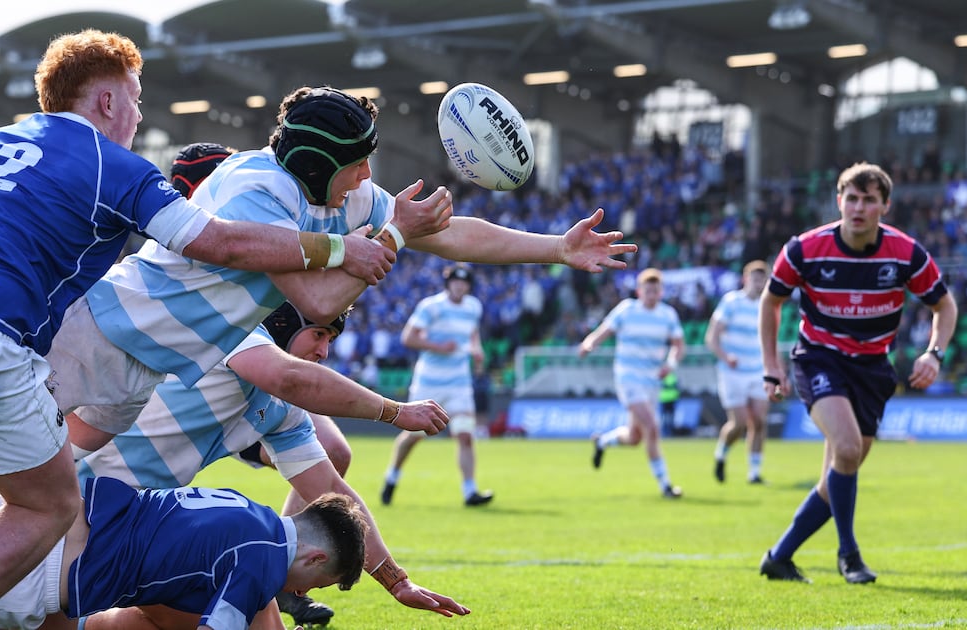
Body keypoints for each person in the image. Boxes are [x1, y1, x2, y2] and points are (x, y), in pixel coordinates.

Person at [0, 30, 397, 630]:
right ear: (107, 101)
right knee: (43, 506)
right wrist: (341, 248)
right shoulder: (118, 169)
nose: (138, 114)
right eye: (134, 98)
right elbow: (218, 240)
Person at [52, 84, 638, 460]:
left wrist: (556, 247)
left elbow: (450, 232)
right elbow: (320, 300)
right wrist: (397, 232)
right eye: (358, 166)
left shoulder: (335, 194)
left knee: (44, 475)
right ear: (317, 163)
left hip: (149, 365)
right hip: (105, 333)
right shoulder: (255, 191)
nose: (366, 178)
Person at [78, 301, 464, 627]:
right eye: (319, 335)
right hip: (83, 494)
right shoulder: (238, 331)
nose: (324, 352)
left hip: (136, 515)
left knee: (243, 608)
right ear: (284, 322)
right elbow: (291, 377)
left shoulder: (283, 412)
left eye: (331, 340)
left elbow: (333, 491)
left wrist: (396, 581)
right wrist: (394, 411)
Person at [0, 474, 370, 630]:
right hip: (33, 571)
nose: (296, 594)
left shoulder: (242, 504)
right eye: (311, 585)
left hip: (34, 507)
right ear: (315, 558)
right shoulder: (265, 556)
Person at [757, 162, 957, 584]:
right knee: (846, 450)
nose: (858, 207)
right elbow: (770, 303)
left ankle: (779, 557)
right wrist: (772, 367)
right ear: (839, 201)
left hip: (872, 369)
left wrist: (934, 354)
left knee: (839, 474)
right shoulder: (806, 248)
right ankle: (849, 555)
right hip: (818, 358)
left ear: (885, 205)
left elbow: (945, 305)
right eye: (852, 198)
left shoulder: (905, 252)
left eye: (869, 200)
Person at [380, 264, 494, 507]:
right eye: (455, 281)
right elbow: (408, 337)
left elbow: (472, 333)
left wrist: (477, 350)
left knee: (465, 434)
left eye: (464, 282)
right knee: (414, 436)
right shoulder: (431, 307)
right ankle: (392, 476)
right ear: (448, 283)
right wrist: (438, 347)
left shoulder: (473, 307)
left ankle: (470, 491)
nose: (459, 285)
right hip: (429, 382)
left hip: (459, 382)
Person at [578, 267, 686, 499]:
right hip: (628, 377)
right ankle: (666, 485)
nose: (652, 295)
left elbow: (679, 346)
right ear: (639, 291)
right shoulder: (626, 310)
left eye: (656, 291)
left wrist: (671, 364)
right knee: (653, 427)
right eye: (648, 290)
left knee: (635, 437)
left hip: (652, 381)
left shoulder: (667, 315)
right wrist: (589, 344)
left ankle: (603, 442)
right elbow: (602, 332)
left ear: (661, 292)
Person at [705, 259, 771, 484]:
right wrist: (726, 357)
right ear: (745, 279)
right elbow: (712, 338)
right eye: (755, 277)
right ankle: (721, 454)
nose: (758, 282)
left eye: (762, 278)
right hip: (732, 371)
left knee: (760, 421)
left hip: (757, 370)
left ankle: (754, 473)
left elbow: (770, 339)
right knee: (739, 423)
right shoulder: (731, 302)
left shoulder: (767, 304)